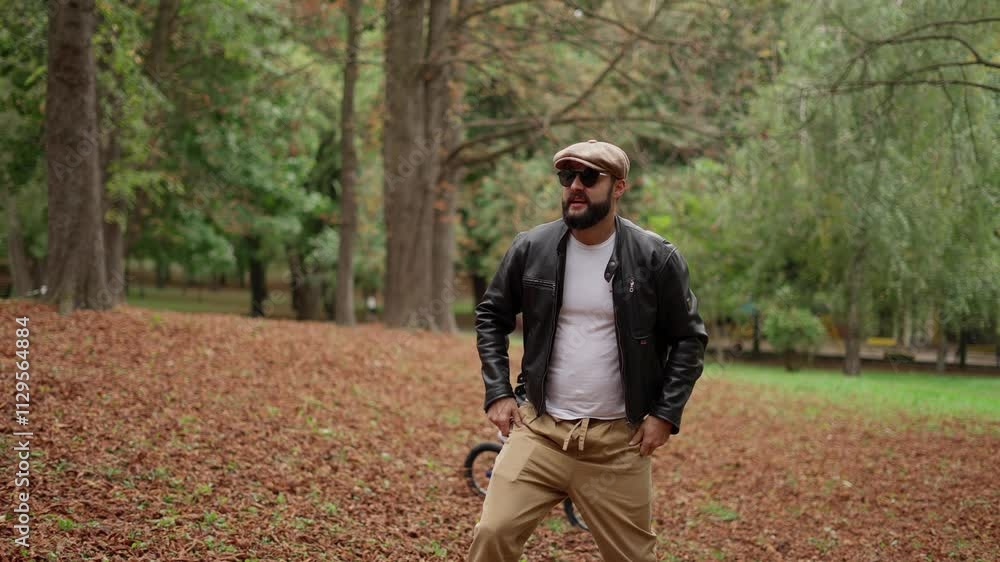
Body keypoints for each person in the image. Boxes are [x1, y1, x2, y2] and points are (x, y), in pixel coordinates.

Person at [467, 139, 709, 561]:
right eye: (567, 176)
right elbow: (491, 315)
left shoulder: (656, 257)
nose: (576, 186)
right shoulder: (532, 248)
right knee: (492, 533)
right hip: (540, 431)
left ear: (619, 187)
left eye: (589, 177)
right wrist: (499, 391)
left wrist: (665, 414)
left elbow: (689, 338)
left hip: (617, 443)